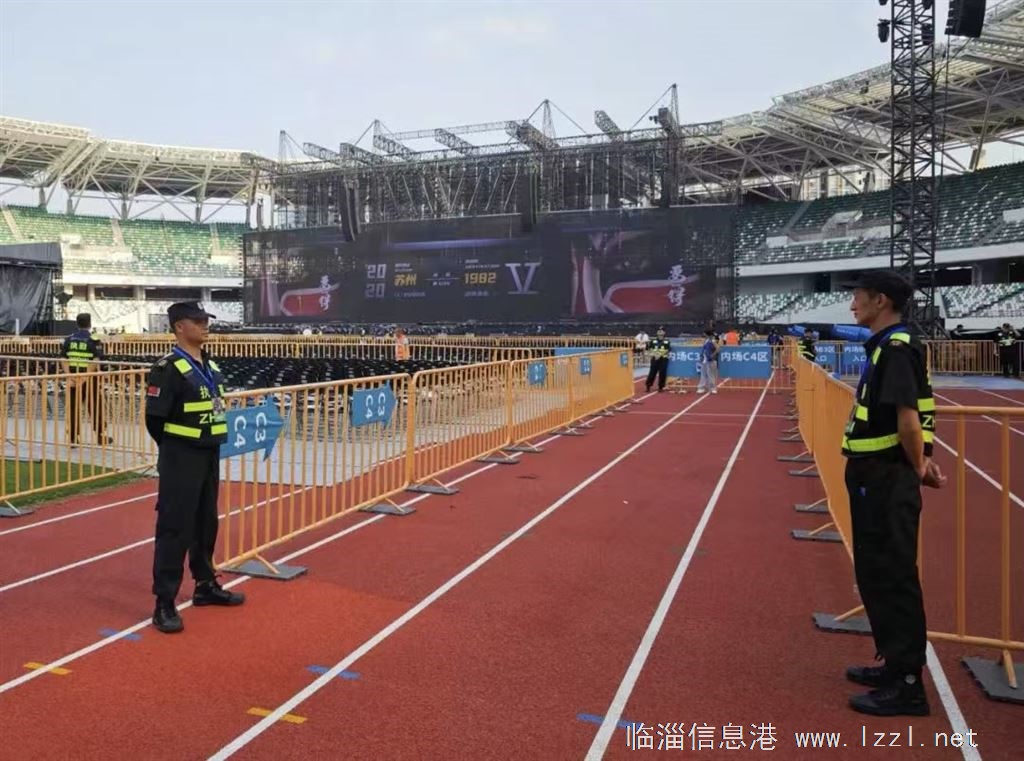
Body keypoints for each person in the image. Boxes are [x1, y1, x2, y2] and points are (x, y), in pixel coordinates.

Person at [841, 271, 945, 717]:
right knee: (875, 571)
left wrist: (918, 465)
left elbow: (908, 418)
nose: (852, 306)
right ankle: (893, 663)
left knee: (893, 575)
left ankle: (908, 684)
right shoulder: (886, 346)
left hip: (886, 477)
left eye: (858, 298)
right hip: (876, 475)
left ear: (880, 300)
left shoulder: (897, 349)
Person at [145, 302, 244, 634]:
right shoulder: (168, 368)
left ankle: (205, 584)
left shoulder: (210, 365)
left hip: (208, 453)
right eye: (198, 321)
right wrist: (175, 449)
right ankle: (164, 602)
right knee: (175, 528)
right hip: (181, 456)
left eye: (206, 320)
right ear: (179, 327)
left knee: (205, 523)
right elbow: (154, 419)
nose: (205, 325)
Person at [61, 313, 111, 446]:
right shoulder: (93, 340)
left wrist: (69, 376)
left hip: (73, 378)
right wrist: (85, 377)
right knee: (95, 406)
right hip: (89, 379)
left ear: (77, 324)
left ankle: (73, 438)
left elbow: (63, 359)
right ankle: (101, 436)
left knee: (73, 407)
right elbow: (96, 360)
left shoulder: (69, 339)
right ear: (90, 324)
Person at [644, 327, 670, 393]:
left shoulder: (667, 341)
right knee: (652, 373)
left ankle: (661, 387)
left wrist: (660, 355)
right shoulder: (652, 341)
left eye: (662, 331)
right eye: (659, 330)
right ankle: (648, 386)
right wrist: (653, 355)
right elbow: (648, 349)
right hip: (654, 359)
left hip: (663, 359)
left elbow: (668, 350)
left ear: (664, 333)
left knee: (662, 373)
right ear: (657, 333)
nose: (660, 332)